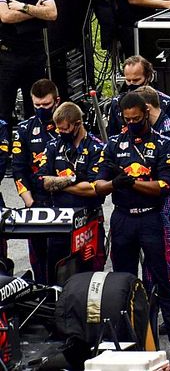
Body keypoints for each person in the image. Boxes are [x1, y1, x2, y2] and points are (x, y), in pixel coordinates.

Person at [94, 92, 170, 358]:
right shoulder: (112, 145)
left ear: (146, 113)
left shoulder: (164, 144)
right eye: (127, 119)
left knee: (165, 281)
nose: (131, 122)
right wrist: (114, 184)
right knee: (122, 281)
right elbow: (98, 185)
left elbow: (165, 185)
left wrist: (133, 182)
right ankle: (127, 343)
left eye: (136, 118)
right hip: (123, 218)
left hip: (152, 218)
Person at [135, 86, 170, 324]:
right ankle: (162, 315)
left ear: (147, 109)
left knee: (161, 255)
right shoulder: (151, 131)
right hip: (154, 198)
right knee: (159, 256)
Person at [39, 102, 105, 278]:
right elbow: (45, 182)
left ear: (78, 124)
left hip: (89, 222)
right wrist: (73, 179)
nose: (61, 133)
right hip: (59, 222)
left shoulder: (96, 148)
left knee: (90, 275)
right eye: (58, 129)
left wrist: (59, 185)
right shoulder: (53, 146)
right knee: (55, 273)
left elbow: (93, 189)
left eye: (65, 129)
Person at [0, 0, 57, 121]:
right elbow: (6, 16)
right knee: (4, 108)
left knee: (36, 106)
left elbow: (52, 13)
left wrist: (23, 7)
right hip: (8, 55)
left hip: (35, 54)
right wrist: (36, 10)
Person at [12, 79, 59, 283]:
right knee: (39, 259)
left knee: (62, 257)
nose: (41, 108)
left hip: (64, 200)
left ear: (56, 101)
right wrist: (28, 201)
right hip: (36, 203)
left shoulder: (67, 125)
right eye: (37, 105)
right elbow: (18, 170)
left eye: (46, 105)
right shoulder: (24, 129)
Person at [107, 55, 170, 134]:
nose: (131, 84)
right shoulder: (117, 102)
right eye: (128, 80)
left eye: (136, 80)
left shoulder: (168, 104)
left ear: (148, 77)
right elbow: (111, 137)